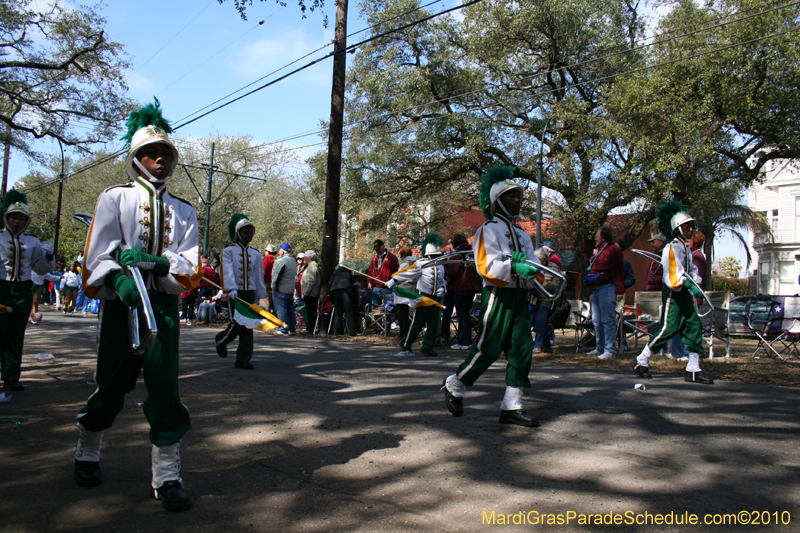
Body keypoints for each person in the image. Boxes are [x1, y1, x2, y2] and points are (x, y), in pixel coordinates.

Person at [72, 100, 202, 512]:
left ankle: (166, 477)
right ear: (135, 159)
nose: (161, 160)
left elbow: (190, 267)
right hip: (121, 305)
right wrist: (118, 281)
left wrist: (160, 264)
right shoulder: (115, 198)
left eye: (167, 154)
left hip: (162, 306)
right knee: (112, 383)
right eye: (152, 153)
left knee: (164, 388)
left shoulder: (185, 210)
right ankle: (88, 448)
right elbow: (97, 256)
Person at [441, 166, 542, 427]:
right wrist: (513, 267)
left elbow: (535, 268)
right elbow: (485, 267)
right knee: (488, 348)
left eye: (519, 196)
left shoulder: (523, 234)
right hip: (498, 295)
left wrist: (531, 270)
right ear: (497, 200)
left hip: (519, 297)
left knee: (522, 349)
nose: (518, 200)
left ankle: (512, 405)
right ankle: (456, 383)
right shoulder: (488, 230)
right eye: (511, 196)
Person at [632, 200, 714, 385]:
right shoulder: (672, 247)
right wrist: (689, 284)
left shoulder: (686, 248)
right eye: (687, 226)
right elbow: (673, 277)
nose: (691, 229)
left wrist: (696, 283)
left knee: (694, 326)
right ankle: (642, 360)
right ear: (677, 228)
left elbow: (692, 270)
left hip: (685, 293)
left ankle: (693, 369)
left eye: (692, 226)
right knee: (668, 329)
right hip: (673, 293)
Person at [0, 190, 55, 390]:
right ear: (7, 218)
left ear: (27, 221)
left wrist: (48, 256)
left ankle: (11, 376)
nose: (17, 222)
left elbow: (40, 268)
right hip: (1, 289)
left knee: (16, 335)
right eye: (13, 217)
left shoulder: (33, 241)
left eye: (21, 218)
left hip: (22, 291)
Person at [215, 214, 267, 369]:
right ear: (238, 233)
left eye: (251, 233)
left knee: (249, 325)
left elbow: (258, 275)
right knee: (237, 322)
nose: (249, 236)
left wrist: (259, 295)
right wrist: (230, 289)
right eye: (245, 232)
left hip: (249, 292)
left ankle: (244, 358)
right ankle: (221, 340)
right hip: (236, 292)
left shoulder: (255, 253)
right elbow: (227, 270)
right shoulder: (229, 251)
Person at [387, 233, 447, 357]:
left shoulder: (441, 267)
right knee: (417, 322)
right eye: (433, 255)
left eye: (436, 255)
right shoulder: (421, 264)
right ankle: (406, 344)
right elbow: (407, 273)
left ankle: (428, 346)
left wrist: (442, 288)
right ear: (428, 254)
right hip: (423, 296)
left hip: (435, 298)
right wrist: (394, 280)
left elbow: (442, 281)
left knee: (433, 323)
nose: (435, 257)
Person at [585, 226, 625, 360]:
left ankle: (610, 350)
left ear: (604, 238)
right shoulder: (601, 250)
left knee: (607, 319)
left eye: (597, 236)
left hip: (607, 287)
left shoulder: (613, 250)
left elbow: (618, 271)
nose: (595, 239)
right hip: (597, 288)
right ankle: (599, 347)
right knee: (596, 320)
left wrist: (619, 290)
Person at [446, 234, 477, 350]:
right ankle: (468, 340)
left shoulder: (457, 255)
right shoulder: (472, 254)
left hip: (460, 287)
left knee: (462, 314)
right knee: (467, 314)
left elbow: (453, 272)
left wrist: (444, 270)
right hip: (471, 287)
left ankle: (463, 341)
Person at [531, 247, 562, 354]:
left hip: (547, 298)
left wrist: (546, 285)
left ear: (544, 259)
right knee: (537, 321)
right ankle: (547, 345)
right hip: (534, 298)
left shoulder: (554, 268)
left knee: (541, 320)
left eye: (538, 259)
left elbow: (558, 284)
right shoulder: (534, 266)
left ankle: (538, 345)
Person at [271, 243, 297, 335]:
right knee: (290, 310)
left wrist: (273, 287)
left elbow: (276, 276)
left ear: (282, 251)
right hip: (290, 288)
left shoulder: (281, 261)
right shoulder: (293, 260)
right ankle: (292, 329)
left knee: (281, 309)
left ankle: (283, 329)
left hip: (281, 288)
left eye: (280, 250)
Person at [393, 246, 416, 341]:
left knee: (402, 315)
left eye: (401, 256)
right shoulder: (414, 264)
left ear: (404, 256)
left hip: (402, 291)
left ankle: (403, 334)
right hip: (410, 290)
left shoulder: (405, 264)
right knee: (405, 313)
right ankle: (405, 333)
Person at [367, 239, 399, 308]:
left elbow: (396, 271)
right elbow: (371, 271)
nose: (377, 250)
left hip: (387, 287)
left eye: (378, 248)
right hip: (376, 287)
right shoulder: (374, 259)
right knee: (374, 308)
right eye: (376, 249)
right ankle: (375, 315)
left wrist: (392, 282)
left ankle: (388, 316)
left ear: (383, 246)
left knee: (388, 308)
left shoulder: (391, 257)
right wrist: (369, 282)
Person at [329, 265, 358, 336]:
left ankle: (336, 331)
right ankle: (352, 331)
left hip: (334, 290)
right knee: (349, 310)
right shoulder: (348, 273)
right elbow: (352, 284)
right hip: (345, 290)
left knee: (338, 310)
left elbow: (329, 282)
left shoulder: (335, 272)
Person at [300, 250, 321, 334]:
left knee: (311, 312)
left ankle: (310, 329)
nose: (304, 257)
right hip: (309, 294)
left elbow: (311, 280)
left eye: (305, 256)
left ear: (310, 257)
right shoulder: (309, 266)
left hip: (311, 294)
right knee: (309, 311)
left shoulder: (313, 266)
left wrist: (307, 292)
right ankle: (309, 328)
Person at [262, 244, 277, 313]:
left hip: (267, 282)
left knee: (265, 300)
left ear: (267, 251)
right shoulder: (276, 259)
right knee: (274, 299)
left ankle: (266, 315)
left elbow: (264, 271)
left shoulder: (266, 259)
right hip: (275, 282)